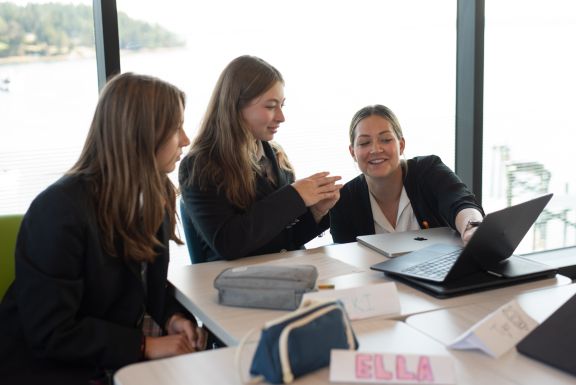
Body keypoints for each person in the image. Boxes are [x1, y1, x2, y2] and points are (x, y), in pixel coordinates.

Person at [0, 73, 207, 385]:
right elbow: (51, 332)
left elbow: (148, 285)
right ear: (141, 133)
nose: (186, 139)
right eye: (176, 126)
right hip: (48, 368)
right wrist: (145, 346)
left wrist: (173, 318)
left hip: (108, 354)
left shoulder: (156, 193)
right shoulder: (59, 210)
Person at [179, 55, 341, 263]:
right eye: (271, 106)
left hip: (284, 273)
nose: (281, 117)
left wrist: (316, 212)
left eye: (282, 105)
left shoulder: (278, 158)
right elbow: (229, 243)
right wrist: (295, 196)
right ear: (236, 106)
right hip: (232, 283)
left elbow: (285, 241)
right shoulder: (200, 166)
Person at [330, 104, 484, 244]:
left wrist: (472, 228)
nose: (376, 149)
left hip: (443, 273)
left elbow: (460, 202)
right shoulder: (345, 200)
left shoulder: (428, 170)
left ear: (401, 145)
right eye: (364, 143)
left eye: (385, 139)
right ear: (352, 152)